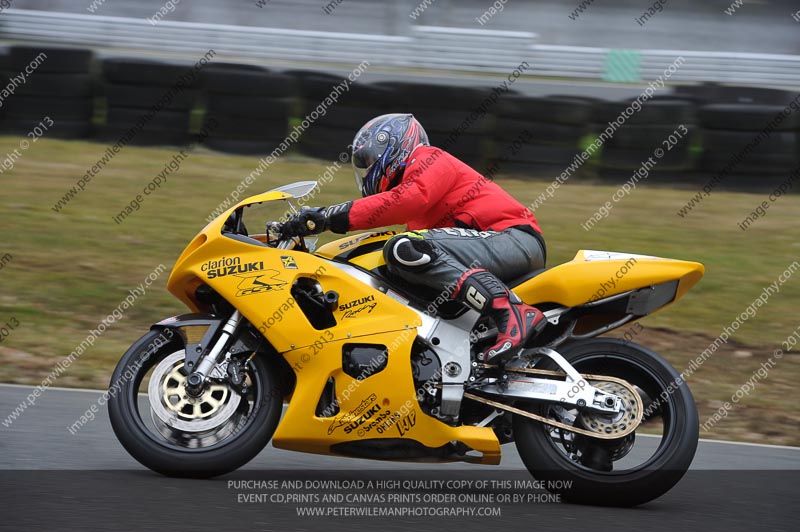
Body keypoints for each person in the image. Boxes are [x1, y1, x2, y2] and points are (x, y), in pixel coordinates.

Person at [282, 113, 546, 364]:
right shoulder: (419, 222)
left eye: (370, 159)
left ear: (395, 144)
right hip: (492, 246)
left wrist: (330, 217)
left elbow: (408, 199)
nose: (368, 169)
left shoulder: (430, 158)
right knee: (401, 270)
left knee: (403, 248)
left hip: (514, 239)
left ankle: (510, 312)